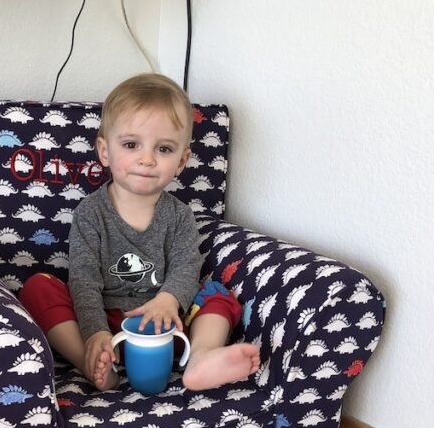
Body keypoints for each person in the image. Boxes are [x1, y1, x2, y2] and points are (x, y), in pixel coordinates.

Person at [19, 73, 260, 392]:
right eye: (131, 145)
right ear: (105, 152)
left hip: (167, 325)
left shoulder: (179, 215)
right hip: (109, 327)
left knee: (217, 293)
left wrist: (168, 301)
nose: (147, 159)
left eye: (163, 149)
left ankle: (201, 357)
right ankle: (93, 362)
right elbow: (84, 279)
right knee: (38, 287)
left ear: (181, 161)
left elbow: (187, 267)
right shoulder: (91, 214)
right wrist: (95, 332)